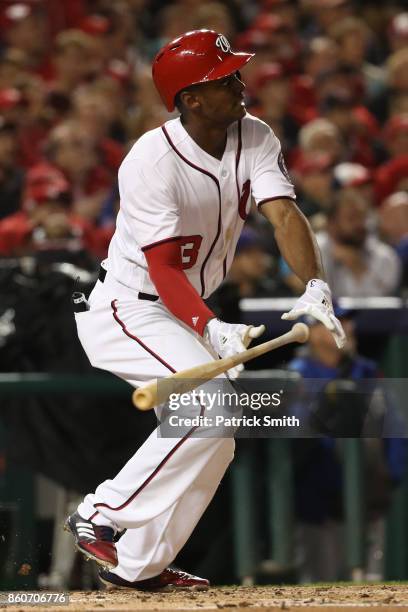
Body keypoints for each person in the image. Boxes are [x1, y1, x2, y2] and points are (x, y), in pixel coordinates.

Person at [64, 29, 345, 592]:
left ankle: (136, 566)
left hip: (181, 306)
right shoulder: (150, 159)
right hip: (127, 305)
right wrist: (211, 327)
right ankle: (101, 513)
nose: (240, 83)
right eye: (224, 78)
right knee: (212, 405)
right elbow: (164, 270)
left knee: (218, 430)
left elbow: (284, 214)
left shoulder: (254, 135)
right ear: (191, 99)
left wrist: (314, 282)